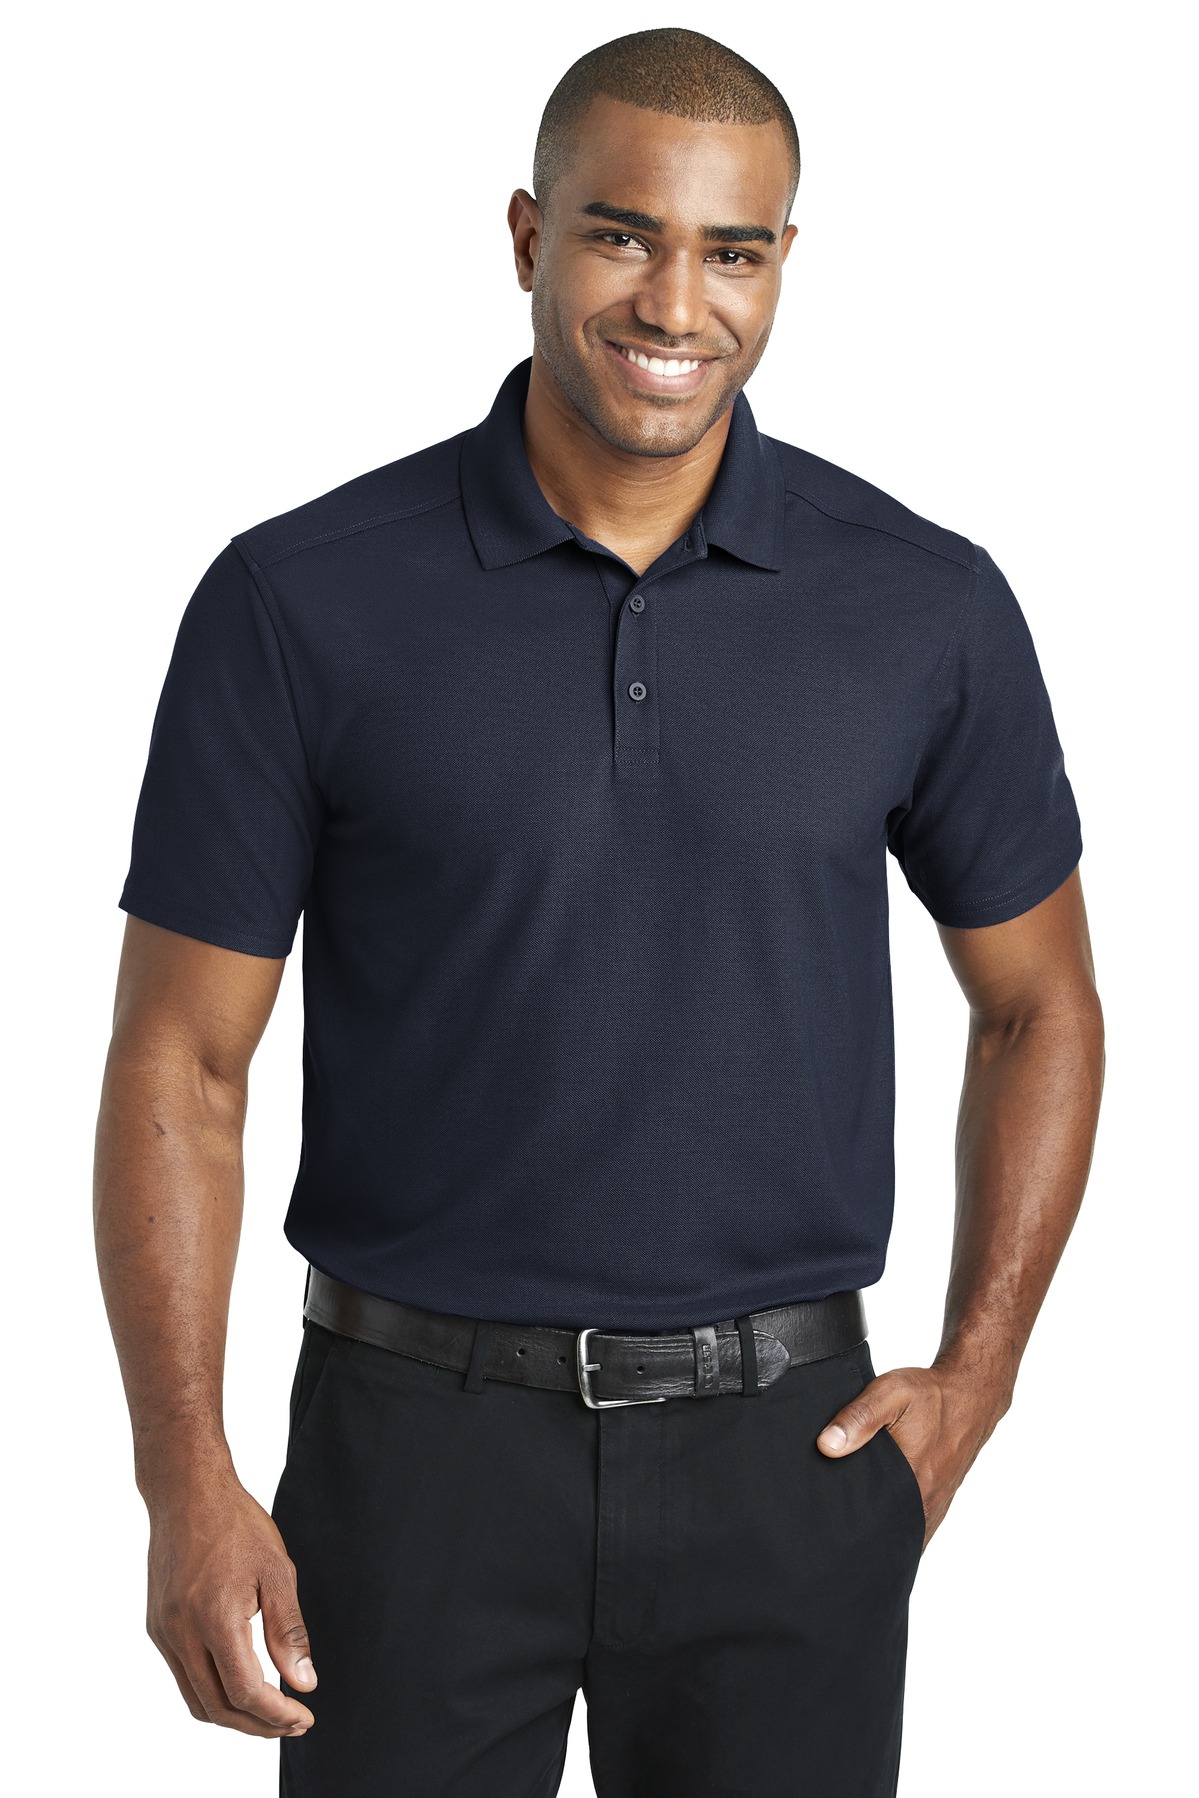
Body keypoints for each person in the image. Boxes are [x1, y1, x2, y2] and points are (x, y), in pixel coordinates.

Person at [94, 26, 1105, 1797]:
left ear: (785, 263)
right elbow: (182, 1062)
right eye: (624, 234)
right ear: (526, 235)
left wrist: (980, 1372)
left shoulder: (923, 607)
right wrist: (183, 1473)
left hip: (789, 1451)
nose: (676, 303)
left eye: (734, 250)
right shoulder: (297, 601)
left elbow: (1042, 1005)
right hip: (409, 1452)